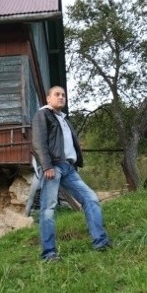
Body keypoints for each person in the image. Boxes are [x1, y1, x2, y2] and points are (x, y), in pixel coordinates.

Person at [31, 85, 112, 261]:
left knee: (90, 198)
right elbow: (38, 142)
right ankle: (49, 253)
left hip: (68, 168)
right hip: (53, 166)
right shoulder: (42, 114)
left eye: (63, 95)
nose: (61, 97)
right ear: (48, 99)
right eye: (57, 94)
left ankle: (101, 242)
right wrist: (47, 166)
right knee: (48, 209)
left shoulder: (64, 120)